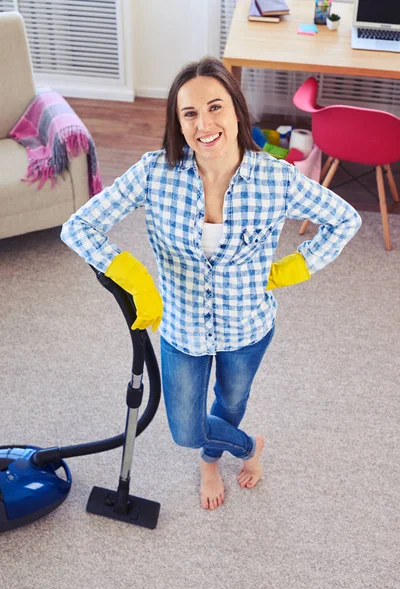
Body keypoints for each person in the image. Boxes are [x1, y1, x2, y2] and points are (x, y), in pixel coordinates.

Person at [61, 57, 362, 511]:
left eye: (215, 107)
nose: (204, 123)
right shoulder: (154, 172)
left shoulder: (276, 179)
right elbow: (78, 228)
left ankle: (211, 460)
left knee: (229, 403)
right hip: (182, 328)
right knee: (184, 429)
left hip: (248, 327)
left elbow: (345, 220)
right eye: (189, 113)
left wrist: (295, 267)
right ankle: (246, 447)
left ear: (237, 111)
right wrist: (132, 275)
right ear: (178, 123)